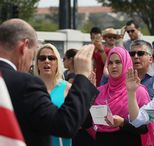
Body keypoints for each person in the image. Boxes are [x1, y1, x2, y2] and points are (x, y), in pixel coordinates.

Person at [0, 18, 99, 146]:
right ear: (24, 47)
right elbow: (65, 124)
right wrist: (82, 77)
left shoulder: (64, 87)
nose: (31, 61)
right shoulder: (26, 84)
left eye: (51, 58)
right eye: (36, 55)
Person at [93, 47, 154, 146]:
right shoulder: (99, 91)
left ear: (126, 63)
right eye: (110, 63)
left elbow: (144, 128)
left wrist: (122, 123)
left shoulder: (138, 91)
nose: (113, 66)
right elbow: (88, 123)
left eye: (118, 62)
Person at [34, 43, 72, 146]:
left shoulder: (68, 88)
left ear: (58, 62)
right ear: (37, 63)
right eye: (42, 58)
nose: (47, 61)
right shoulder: (30, 88)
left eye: (51, 58)